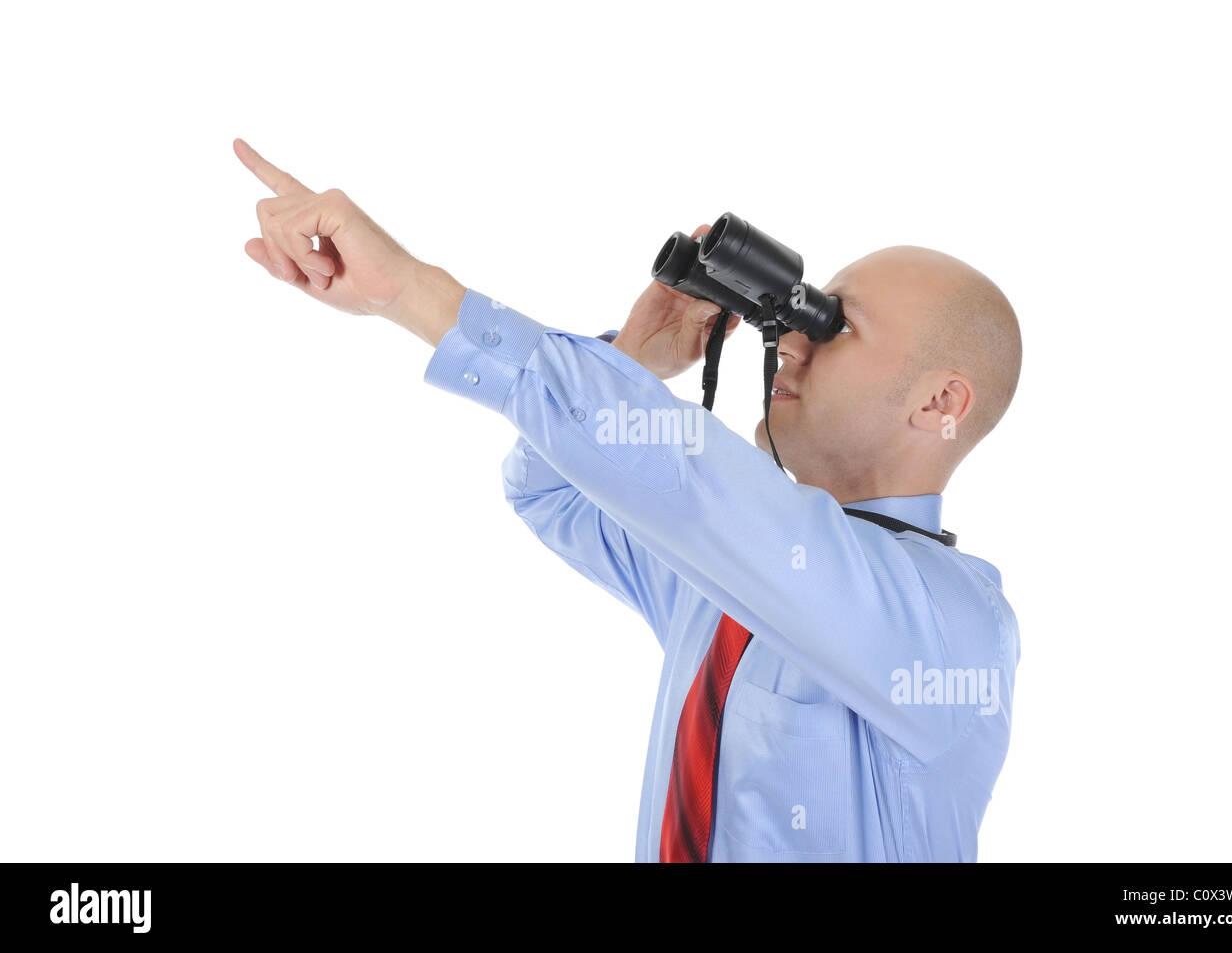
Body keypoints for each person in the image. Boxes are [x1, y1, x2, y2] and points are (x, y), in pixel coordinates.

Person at [235, 138, 1023, 862]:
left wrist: (409, 291)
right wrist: (634, 363)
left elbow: (696, 486)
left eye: (834, 327)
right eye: (798, 316)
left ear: (940, 402)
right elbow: (549, 488)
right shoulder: (731, 586)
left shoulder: (950, 626)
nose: (788, 339)